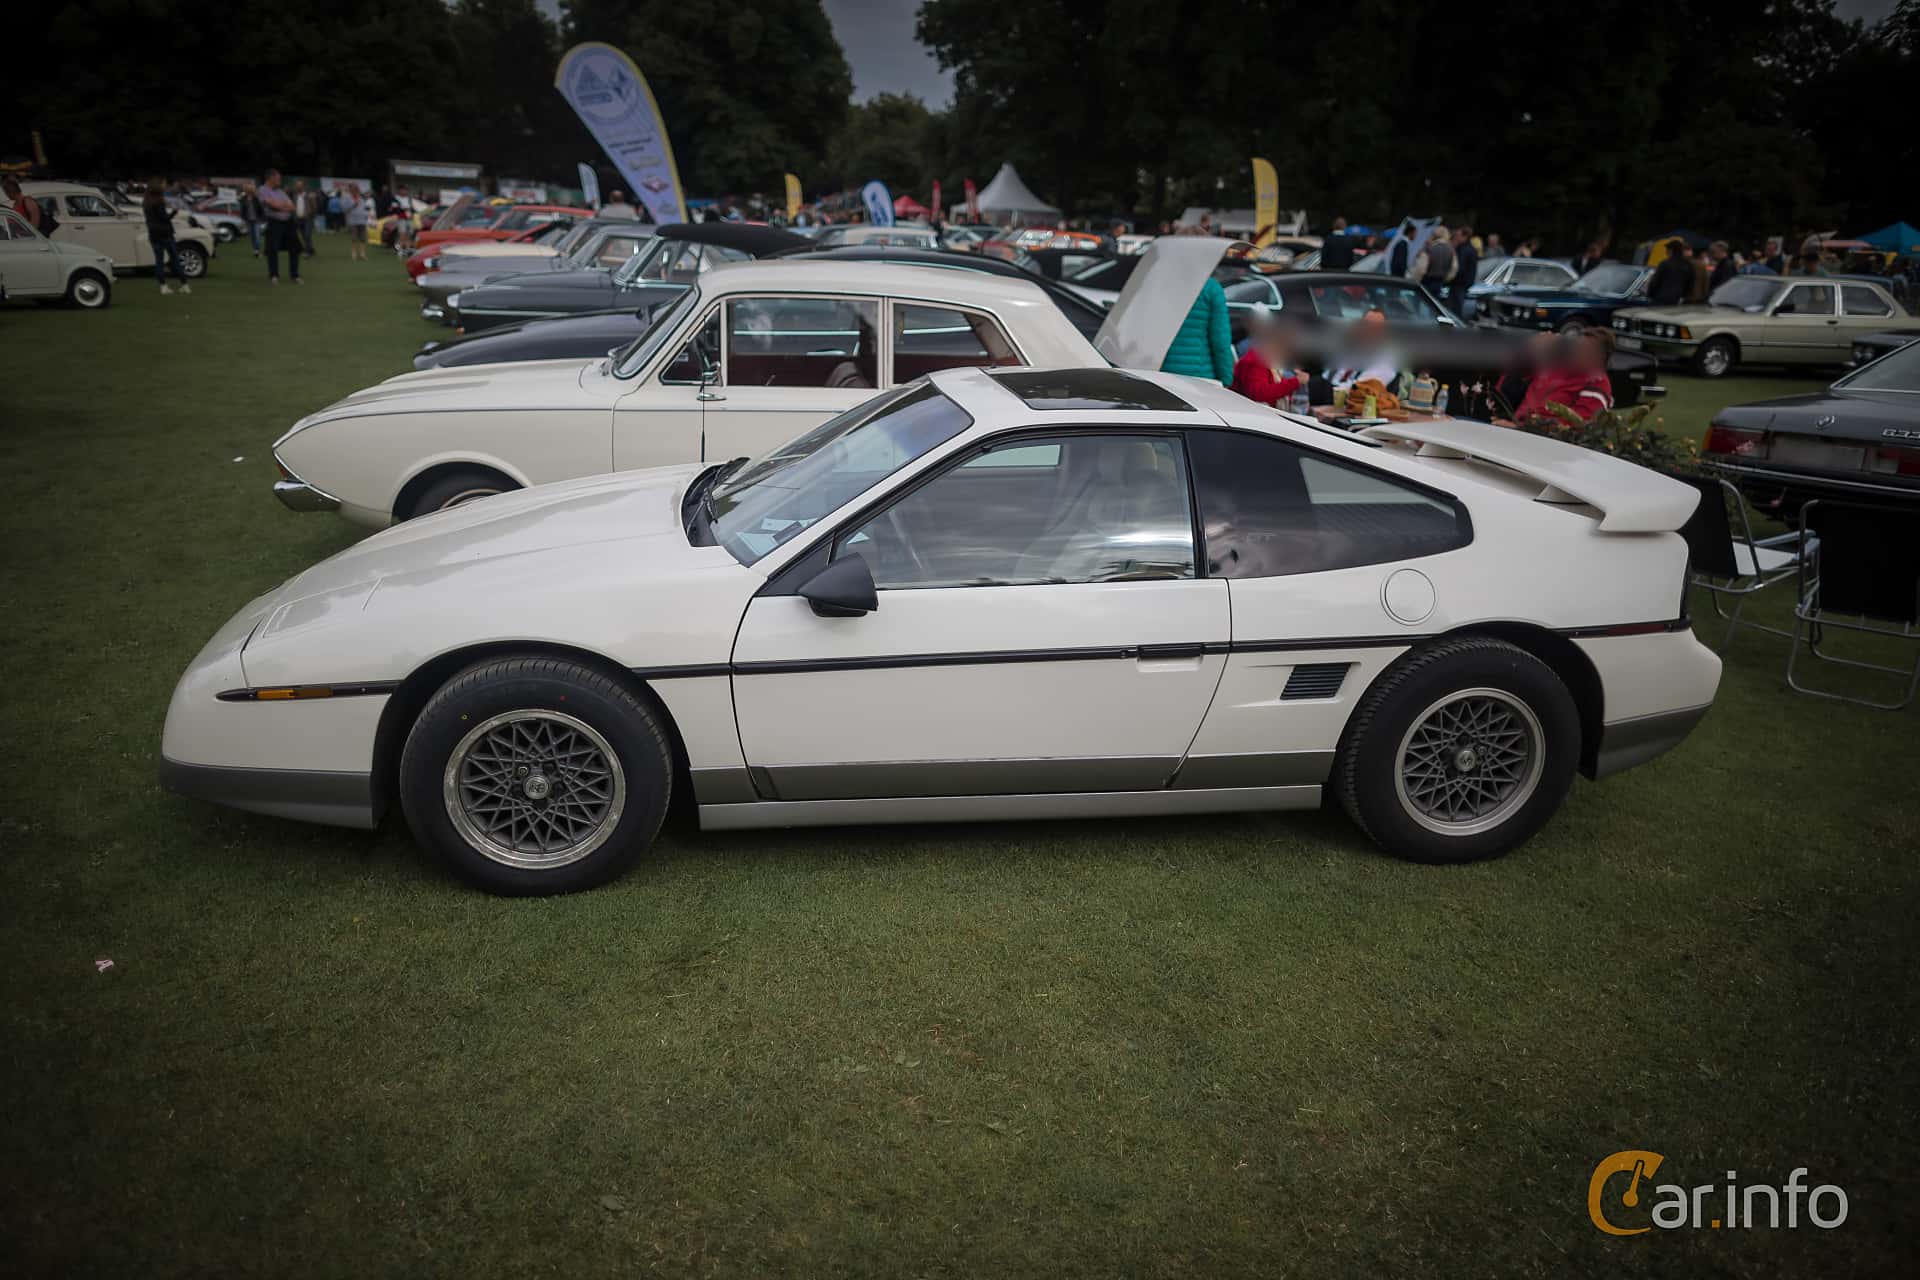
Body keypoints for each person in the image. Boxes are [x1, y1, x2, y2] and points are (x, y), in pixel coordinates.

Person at [1507, 329, 1615, 423]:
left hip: (1537, 439)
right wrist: (1532, 349)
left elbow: (1579, 427)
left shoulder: (1597, 383)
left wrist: (1519, 428)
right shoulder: (1556, 367)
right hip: (1511, 426)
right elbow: (1511, 381)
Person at [1160, 275, 1235, 385]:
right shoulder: (1211, 287)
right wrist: (1226, 378)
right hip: (1200, 379)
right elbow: (1221, 341)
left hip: (1162, 376)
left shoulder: (1160, 285)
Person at [1230, 308, 1304, 407]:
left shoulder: (1267, 357)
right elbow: (1258, 393)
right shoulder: (1257, 360)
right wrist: (1295, 382)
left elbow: (1270, 384)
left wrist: (1294, 381)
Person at [142, 181, 190, 295]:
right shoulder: (159, 202)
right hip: (165, 233)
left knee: (159, 261)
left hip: (153, 233)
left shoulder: (146, 202)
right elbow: (164, 218)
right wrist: (174, 212)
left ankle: (163, 286)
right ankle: (184, 285)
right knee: (174, 259)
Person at [259, 169, 301, 284]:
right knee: (273, 249)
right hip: (274, 223)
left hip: (288, 223)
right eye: (278, 178)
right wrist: (281, 206)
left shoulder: (281, 192)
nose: (280, 181)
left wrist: (280, 206)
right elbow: (272, 205)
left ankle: (295, 275)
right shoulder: (263, 190)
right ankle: (274, 275)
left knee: (295, 249)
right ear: (270, 178)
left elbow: (292, 207)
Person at [1647, 239, 1692, 306]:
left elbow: (1655, 281)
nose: (1666, 251)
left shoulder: (1665, 263)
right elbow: (1689, 283)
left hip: (1660, 298)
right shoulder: (1687, 265)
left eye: (1667, 249)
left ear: (1671, 250)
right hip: (1676, 299)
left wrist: (1650, 295)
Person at [1448, 224, 1479, 319]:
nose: (1456, 237)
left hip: (1459, 282)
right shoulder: (1470, 249)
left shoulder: (1464, 250)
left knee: (1455, 307)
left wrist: (1450, 277)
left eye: (1458, 235)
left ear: (1464, 236)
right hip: (1463, 282)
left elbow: (1459, 268)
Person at [1419, 226, 1455, 296]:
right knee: (1433, 302)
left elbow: (1421, 268)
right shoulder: (1451, 250)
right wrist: (1446, 279)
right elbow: (1454, 268)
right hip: (1440, 280)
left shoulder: (1430, 247)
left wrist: (1416, 280)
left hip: (1427, 280)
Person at [340, 184, 369, 262]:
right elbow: (344, 210)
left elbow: (364, 209)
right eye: (354, 190)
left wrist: (366, 215)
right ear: (351, 191)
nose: (356, 191)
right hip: (353, 221)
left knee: (363, 238)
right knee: (354, 238)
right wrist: (353, 205)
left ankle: (362, 254)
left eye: (357, 190)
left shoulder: (361, 199)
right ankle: (354, 253)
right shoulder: (347, 198)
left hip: (362, 220)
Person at [240, 181, 264, 255]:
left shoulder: (256, 198)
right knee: (252, 237)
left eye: (251, 189)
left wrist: (262, 218)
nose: (249, 191)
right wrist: (243, 218)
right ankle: (255, 250)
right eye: (248, 189)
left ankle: (257, 249)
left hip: (257, 220)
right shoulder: (243, 198)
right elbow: (242, 209)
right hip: (249, 220)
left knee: (257, 236)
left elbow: (261, 208)